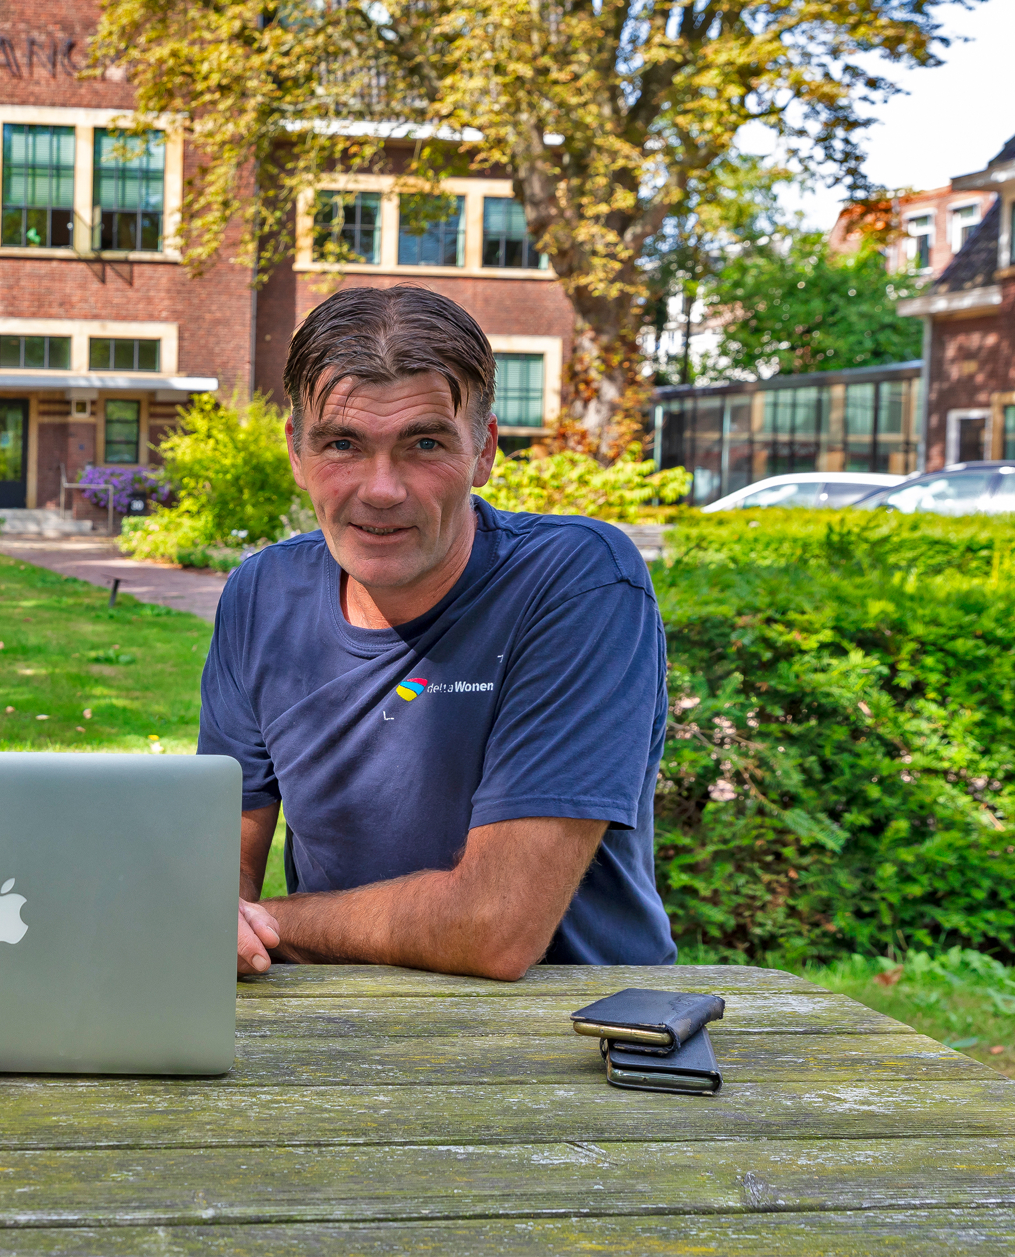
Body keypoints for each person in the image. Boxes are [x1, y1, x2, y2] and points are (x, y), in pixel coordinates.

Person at [209, 286, 675, 979]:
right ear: (297, 453)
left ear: (483, 452)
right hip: (340, 1021)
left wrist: (268, 927)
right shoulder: (261, 595)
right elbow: (221, 873)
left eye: (424, 443)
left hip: (580, 1036)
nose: (382, 489)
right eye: (343, 443)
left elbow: (496, 927)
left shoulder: (578, 582)